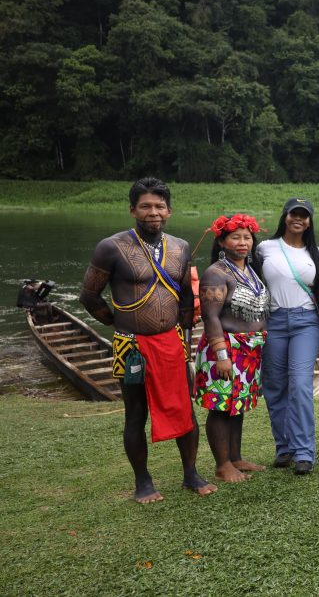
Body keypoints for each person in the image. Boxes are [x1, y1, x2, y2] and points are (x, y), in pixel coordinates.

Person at [79, 177, 216, 502]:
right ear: (132, 210)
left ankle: (191, 474)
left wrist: (186, 323)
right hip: (132, 346)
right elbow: (89, 295)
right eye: (146, 206)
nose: (153, 212)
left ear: (168, 211)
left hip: (171, 344)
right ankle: (143, 482)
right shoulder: (111, 247)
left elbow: (184, 294)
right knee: (136, 414)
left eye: (159, 206)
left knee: (185, 409)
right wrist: (117, 321)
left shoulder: (180, 247)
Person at [193, 213, 269, 483]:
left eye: (247, 237)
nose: (242, 242)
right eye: (235, 237)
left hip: (249, 349)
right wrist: (221, 355)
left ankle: (235, 458)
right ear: (222, 241)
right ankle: (222, 465)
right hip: (224, 348)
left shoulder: (249, 270)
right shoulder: (216, 274)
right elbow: (210, 316)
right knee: (221, 406)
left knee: (237, 406)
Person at [256, 198, 319, 475]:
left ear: (309, 221)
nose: (298, 219)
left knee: (299, 384)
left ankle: (304, 451)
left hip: (305, 321)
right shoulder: (264, 248)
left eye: (304, 215)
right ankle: (284, 447)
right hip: (273, 321)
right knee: (274, 386)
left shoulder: (316, 254)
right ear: (285, 216)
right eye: (293, 214)